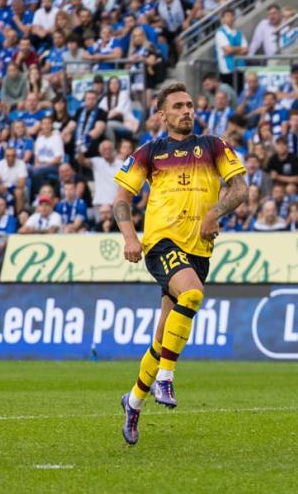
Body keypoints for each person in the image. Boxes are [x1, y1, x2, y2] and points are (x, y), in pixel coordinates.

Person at [114, 82, 248, 445]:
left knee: (162, 339)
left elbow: (240, 188)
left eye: (189, 105)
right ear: (162, 115)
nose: (187, 110)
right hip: (161, 243)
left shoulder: (213, 146)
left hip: (199, 250)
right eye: (178, 106)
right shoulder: (150, 152)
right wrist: (130, 236)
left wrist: (215, 212)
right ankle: (167, 378)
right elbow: (122, 200)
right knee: (191, 294)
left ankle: (134, 400)